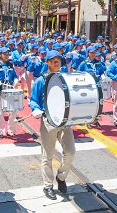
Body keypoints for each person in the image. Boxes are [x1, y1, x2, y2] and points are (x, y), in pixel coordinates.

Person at [29, 50, 76, 200]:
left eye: (58, 62)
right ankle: (48, 185)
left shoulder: (64, 79)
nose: (56, 64)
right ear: (47, 62)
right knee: (47, 156)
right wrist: (36, 108)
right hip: (48, 122)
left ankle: (61, 177)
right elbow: (33, 99)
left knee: (70, 152)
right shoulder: (41, 80)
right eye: (53, 61)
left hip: (64, 121)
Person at [0, 47, 20, 138]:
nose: (7, 55)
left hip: (10, 91)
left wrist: (16, 80)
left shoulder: (10, 65)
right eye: (5, 54)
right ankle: (1, 131)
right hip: (0, 90)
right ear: (0, 55)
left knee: (13, 111)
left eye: (7, 54)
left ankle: (11, 130)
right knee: (0, 112)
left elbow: (14, 75)